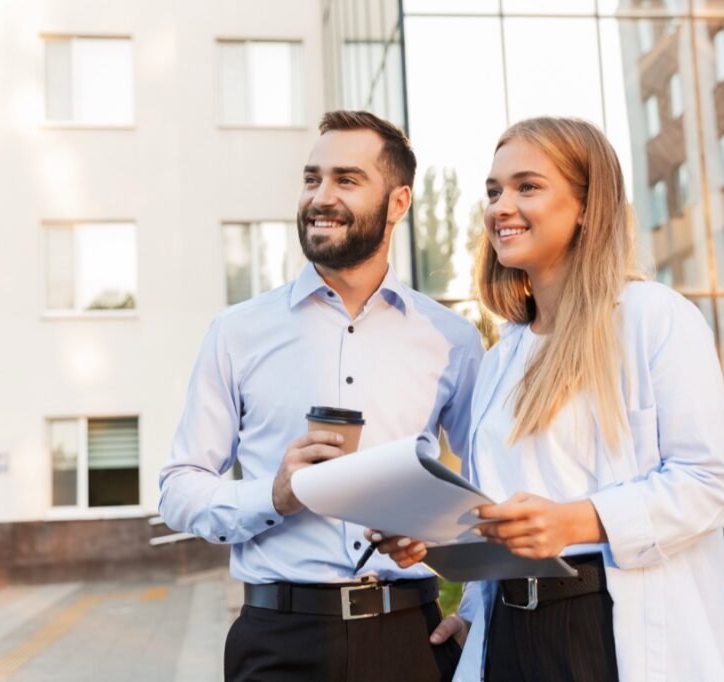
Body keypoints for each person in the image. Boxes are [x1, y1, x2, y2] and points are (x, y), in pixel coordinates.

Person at [375, 117, 724, 681]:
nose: (501, 206)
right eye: (494, 190)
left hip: (602, 633)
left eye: (527, 186)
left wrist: (579, 521)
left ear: (588, 206)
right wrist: (437, 544)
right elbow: (502, 514)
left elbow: (711, 484)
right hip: (509, 634)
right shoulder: (502, 356)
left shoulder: (654, 318)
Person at [159, 110, 484, 682]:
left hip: (410, 639)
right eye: (313, 179)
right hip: (280, 643)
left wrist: (474, 609)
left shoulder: (451, 340)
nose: (320, 197)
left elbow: (492, 492)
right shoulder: (236, 332)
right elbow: (180, 488)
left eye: (346, 180)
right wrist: (274, 496)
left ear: (399, 202)